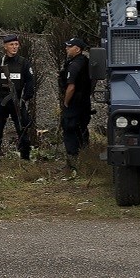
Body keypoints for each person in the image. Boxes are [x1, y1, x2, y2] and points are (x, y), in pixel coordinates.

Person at [0, 34, 35, 165]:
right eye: (11, 45)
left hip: (18, 102)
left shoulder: (24, 63)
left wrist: (24, 99)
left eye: (16, 44)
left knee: (23, 130)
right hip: (1, 103)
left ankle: (25, 158)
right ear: (5, 46)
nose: (14, 47)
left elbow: (30, 83)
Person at [58, 36, 93, 176]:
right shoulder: (85, 62)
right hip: (84, 103)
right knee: (81, 129)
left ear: (77, 49)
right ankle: (85, 159)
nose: (66, 49)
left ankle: (72, 164)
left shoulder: (75, 65)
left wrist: (66, 102)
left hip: (74, 103)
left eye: (69, 46)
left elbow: (71, 86)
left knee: (70, 129)